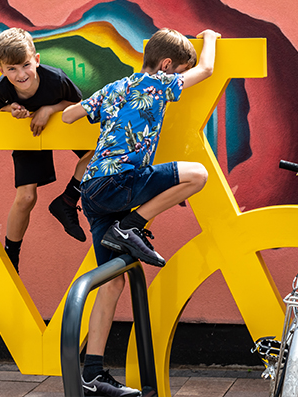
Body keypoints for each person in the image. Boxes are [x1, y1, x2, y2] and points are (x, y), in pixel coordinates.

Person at [62, 28, 220, 396]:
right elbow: (208, 70)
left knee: (112, 282)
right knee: (197, 174)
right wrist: (210, 36)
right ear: (166, 66)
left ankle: (92, 375)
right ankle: (131, 226)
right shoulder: (159, 85)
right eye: (178, 69)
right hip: (122, 182)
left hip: (93, 192)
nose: (178, 76)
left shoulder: (116, 87)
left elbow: (71, 115)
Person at [0, 27, 93, 273]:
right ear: (2, 70)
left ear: (36, 60)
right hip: (30, 133)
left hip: (64, 123)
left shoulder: (55, 79)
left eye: (26, 65)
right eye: (12, 69)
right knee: (26, 197)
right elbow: (1, 109)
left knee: (98, 155)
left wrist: (49, 109)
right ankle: (11, 256)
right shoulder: (3, 88)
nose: (20, 74)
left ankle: (68, 200)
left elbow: (77, 104)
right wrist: (13, 110)